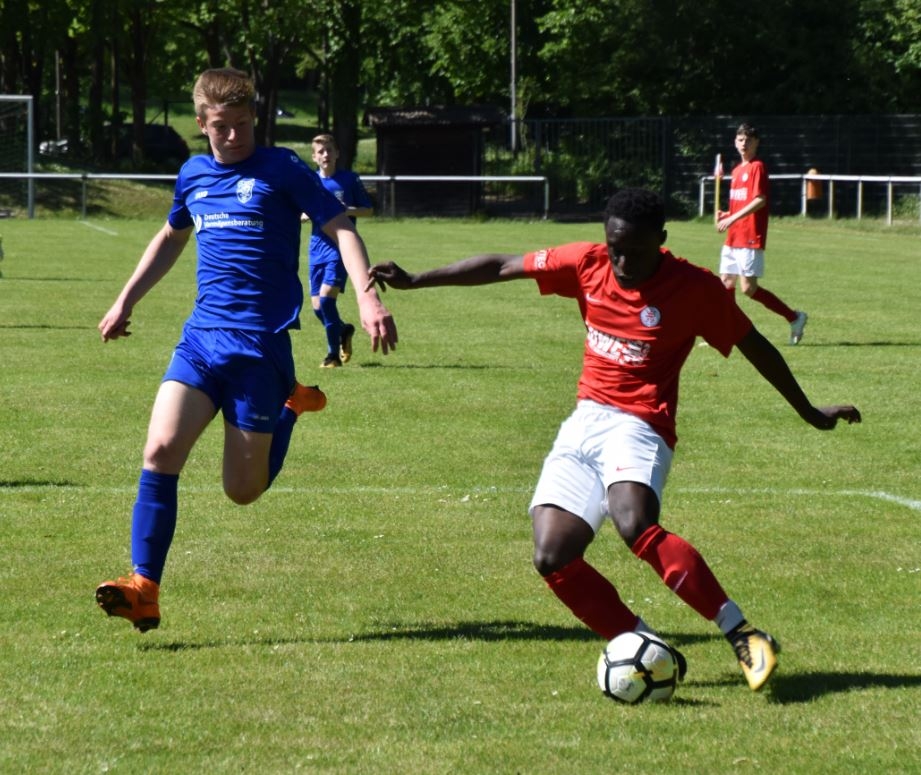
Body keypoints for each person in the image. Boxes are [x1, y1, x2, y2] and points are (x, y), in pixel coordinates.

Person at [367, 188, 860, 691]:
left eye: (635, 251)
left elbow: (755, 346)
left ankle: (743, 634)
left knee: (633, 521)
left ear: (661, 240)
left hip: (641, 423)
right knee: (551, 555)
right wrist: (415, 280)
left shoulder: (695, 288)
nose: (622, 262)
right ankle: (646, 647)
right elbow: (502, 265)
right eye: (615, 248)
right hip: (586, 420)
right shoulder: (587, 263)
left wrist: (808, 410)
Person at [95, 68, 397, 632]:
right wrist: (124, 300)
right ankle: (144, 587)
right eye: (220, 127)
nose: (233, 137)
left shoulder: (282, 168)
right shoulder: (192, 174)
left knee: (241, 491)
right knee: (160, 450)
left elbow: (340, 228)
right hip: (201, 341)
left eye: (241, 124)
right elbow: (171, 237)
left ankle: (291, 405)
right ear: (200, 124)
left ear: (254, 118)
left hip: (260, 349)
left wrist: (366, 295)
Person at [716, 122, 808, 345]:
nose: (744, 144)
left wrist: (731, 218)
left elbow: (759, 200)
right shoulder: (736, 170)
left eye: (748, 140)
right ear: (735, 142)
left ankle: (794, 317)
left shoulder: (757, 167)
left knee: (749, 289)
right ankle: (727, 330)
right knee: (726, 282)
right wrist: (727, 213)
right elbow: (742, 203)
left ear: (756, 143)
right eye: (740, 140)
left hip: (749, 235)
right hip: (733, 236)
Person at [304, 133, 374, 368]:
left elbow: (368, 210)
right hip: (316, 250)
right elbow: (300, 210)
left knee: (326, 301)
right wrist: (304, 214)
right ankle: (343, 331)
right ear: (314, 157)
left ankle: (332, 355)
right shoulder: (310, 182)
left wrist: (346, 210)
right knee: (317, 308)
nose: (325, 155)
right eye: (320, 151)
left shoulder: (349, 179)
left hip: (340, 248)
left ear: (337, 154)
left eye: (329, 150)